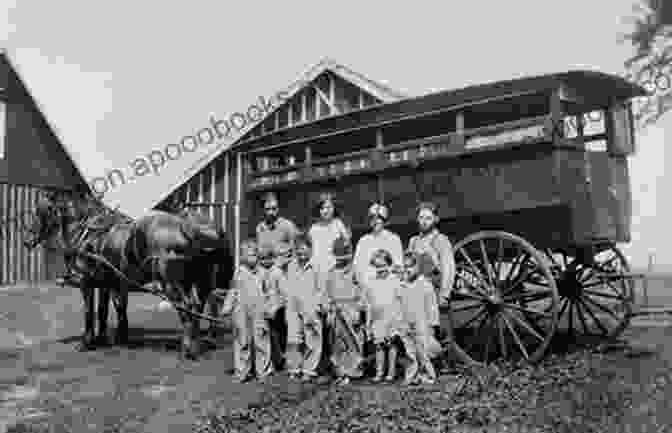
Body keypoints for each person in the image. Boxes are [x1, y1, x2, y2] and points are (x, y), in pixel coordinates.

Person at [407, 201, 484, 372]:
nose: (424, 221)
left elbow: (448, 267)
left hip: (435, 288)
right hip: (417, 290)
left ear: (435, 219)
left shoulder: (440, 240)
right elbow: (409, 265)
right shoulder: (413, 242)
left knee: (442, 329)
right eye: (421, 218)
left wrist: (445, 293)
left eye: (428, 218)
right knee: (421, 328)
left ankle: (448, 365)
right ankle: (427, 364)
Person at [229, 239, 282, 383]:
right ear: (242, 257)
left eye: (254, 252)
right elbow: (233, 291)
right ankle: (241, 372)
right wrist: (227, 307)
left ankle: (263, 371)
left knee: (261, 340)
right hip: (241, 311)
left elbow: (272, 293)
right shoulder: (239, 272)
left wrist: (272, 308)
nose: (252, 255)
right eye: (248, 253)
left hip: (260, 311)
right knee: (242, 341)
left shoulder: (264, 273)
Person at [282, 233, 328, 382]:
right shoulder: (291, 266)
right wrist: (288, 309)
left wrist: (319, 306)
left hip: (311, 308)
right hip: (294, 307)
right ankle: (294, 368)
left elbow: (322, 289)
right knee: (293, 339)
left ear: (311, 249)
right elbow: (288, 289)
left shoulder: (317, 266)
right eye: (299, 250)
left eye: (305, 249)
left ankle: (309, 369)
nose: (302, 252)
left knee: (312, 339)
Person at [324, 236, 366, 385]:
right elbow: (327, 294)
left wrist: (359, 308)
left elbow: (362, 290)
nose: (342, 260)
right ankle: (340, 371)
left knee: (353, 341)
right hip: (336, 310)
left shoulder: (354, 270)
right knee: (337, 342)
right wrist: (329, 311)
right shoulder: (331, 272)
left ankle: (354, 370)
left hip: (351, 308)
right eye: (339, 256)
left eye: (345, 256)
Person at [396, 251, 441, 385]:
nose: (407, 270)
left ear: (418, 267)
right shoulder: (402, 286)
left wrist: (432, 325)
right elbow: (398, 305)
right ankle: (411, 376)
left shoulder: (425, 285)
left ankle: (428, 375)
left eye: (410, 267)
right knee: (410, 352)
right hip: (406, 322)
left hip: (421, 323)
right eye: (405, 267)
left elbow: (432, 307)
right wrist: (399, 322)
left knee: (423, 351)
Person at [361, 248, 404, 383]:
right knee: (379, 346)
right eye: (378, 267)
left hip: (392, 317)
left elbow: (400, 301)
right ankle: (379, 372)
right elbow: (368, 304)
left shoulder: (395, 280)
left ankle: (391, 373)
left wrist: (399, 320)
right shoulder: (371, 282)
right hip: (377, 318)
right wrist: (368, 323)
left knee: (391, 345)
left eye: (384, 266)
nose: (381, 269)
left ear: (390, 265)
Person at [353, 203, 404, 287]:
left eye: (379, 218)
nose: (375, 221)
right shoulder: (363, 241)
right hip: (368, 287)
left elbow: (399, 267)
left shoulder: (394, 240)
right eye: (372, 218)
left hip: (389, 286)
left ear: (385, 220)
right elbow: (357, 268)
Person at [256, 192, 300, 273]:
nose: (271, 213)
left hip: (284, 268)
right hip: (265, 268)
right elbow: (259, 253)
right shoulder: (260, 228)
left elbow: (296, 252)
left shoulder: (287, 226)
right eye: (267, 209)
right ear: (263, 209)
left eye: (274, 209)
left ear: (278, 208)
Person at [308, 192, 351, 275]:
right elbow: (311, 249)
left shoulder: (338, 224)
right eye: (322, 208)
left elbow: (347, 247)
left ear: (334, 208)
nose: (325, 211)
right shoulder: (314, 228)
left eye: (328, 207)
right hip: (317, 268)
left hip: (335, 269)